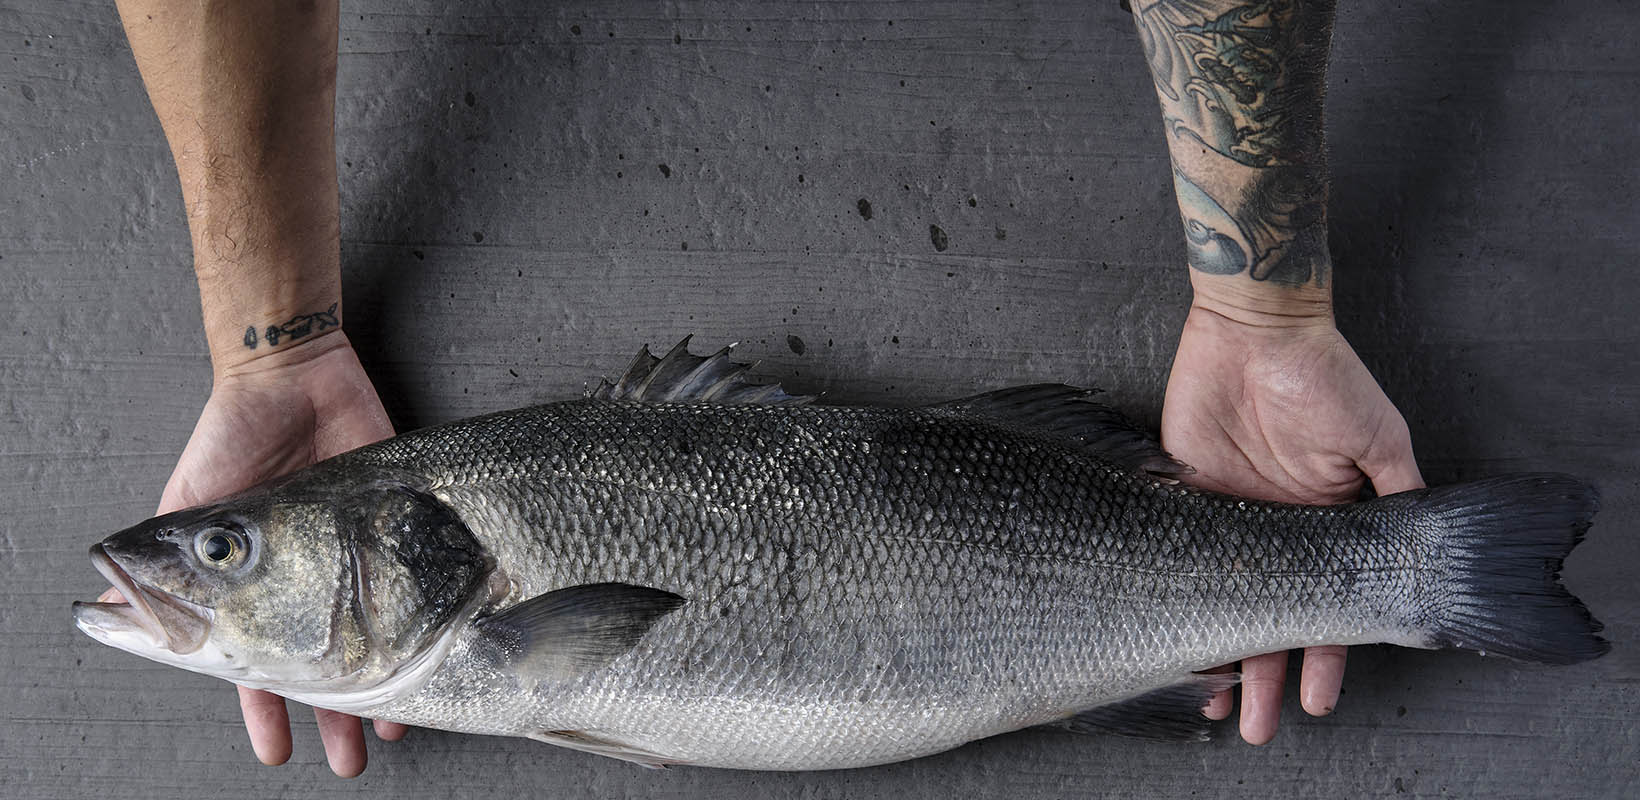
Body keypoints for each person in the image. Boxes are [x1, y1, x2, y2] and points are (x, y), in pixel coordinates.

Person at [105, 0, 1420, 777]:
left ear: (399, 551)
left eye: (229, 547)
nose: (197, 563)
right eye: (223, 548)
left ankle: (1395, 576)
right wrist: (1264, 296)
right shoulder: (455, 607)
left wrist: (1270, 307)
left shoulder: (464, 604)